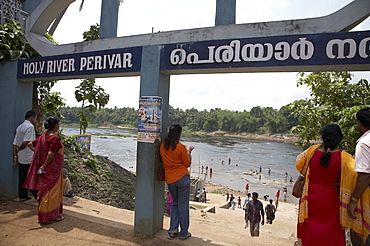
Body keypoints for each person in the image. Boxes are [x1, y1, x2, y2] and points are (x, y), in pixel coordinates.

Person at [296, 124, 358, 246]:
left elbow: (299, 164)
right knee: (332, 232)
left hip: (311, 199)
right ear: (339, 138)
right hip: (332, 200)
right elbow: (355, 176)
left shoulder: (311, 152)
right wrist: (342, 182)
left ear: (323, 137)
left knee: (310, 230)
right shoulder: (345, 158)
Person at [23, 116, 65, 224]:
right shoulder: (54, 138)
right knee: (52, 192)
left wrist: (40, 154)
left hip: (48, 169)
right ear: (55, 126)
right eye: (58, 124)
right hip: (52, 169)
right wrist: (44, 165)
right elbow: (51, 153)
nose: (58, 126)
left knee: (45, 191)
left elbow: (30, 144)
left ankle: (45, 214)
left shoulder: (43, 137)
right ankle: (50, 216)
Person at [159, 124, 194, 240]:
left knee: (175, 204)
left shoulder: (163, 146)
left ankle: (173, 231)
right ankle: (184, 233)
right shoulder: (181, 147)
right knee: (183, 205)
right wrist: (189, 151)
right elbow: (187, 164)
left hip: (170, 179)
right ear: (179, 134)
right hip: (182, 178)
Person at [347, 108, 370, 245]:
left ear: (359, 124)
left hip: (367, 197)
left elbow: (365, 175)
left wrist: (353, 200)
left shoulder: (364, 143)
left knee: (359, 235)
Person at [12, 110, 38, 202]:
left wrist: (15, 155)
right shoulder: (30, 127)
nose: (35, 120)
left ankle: (22, 195)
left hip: (21, 156)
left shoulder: (19, 127)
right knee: (32, 175)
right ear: (31, 117)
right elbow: (27, 142)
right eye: (35, 118)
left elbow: (14, 143)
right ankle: (37, 195)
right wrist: (20, 148)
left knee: (22, 176)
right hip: (28, 155)